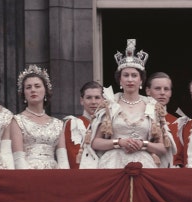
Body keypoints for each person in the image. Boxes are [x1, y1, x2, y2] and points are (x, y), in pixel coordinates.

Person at [80, 39, 175, 169]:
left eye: (134, 75)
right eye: (126, 75)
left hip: (144, 164)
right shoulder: (109, 105)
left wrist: (143, 144)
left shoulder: (153, 107)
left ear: (141, 80)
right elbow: (95, 142)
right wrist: (119, 142)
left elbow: (163, 147)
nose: (130, 79)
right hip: (112, 164)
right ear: (120, 79)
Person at [10, 65, 69, 169]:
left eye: (37, 86)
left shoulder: (58, 124)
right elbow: (18, 159)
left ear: (45, 90)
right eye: (28, 87)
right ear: (24, 93)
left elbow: (63, 159)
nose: (33, 90)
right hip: (28, 175)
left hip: (54, 176)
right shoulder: (17, 121)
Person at [63, 81, 103, 169]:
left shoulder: (108, 124)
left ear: (103, 100)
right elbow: (73, 157)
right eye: (89, 98)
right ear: (82, 100)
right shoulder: (73, 123)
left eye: (97, 97)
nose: (93, 102)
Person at [145, 71, 181, 161]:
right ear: (148, 91)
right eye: (157, 88)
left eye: (166, 89)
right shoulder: (139, 117)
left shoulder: (177, 122)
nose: (162, 93)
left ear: (170, 93)